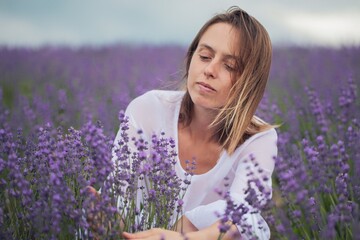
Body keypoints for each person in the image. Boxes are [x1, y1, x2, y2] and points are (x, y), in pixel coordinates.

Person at [117, 6, 277, 240]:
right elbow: (121, 197)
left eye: (230, 66)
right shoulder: (148, 109)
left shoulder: (258, 139)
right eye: (204, 56)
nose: (209, 70)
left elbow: (245, 219)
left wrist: (183, 238)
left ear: (250, 82)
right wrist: (105, 220)